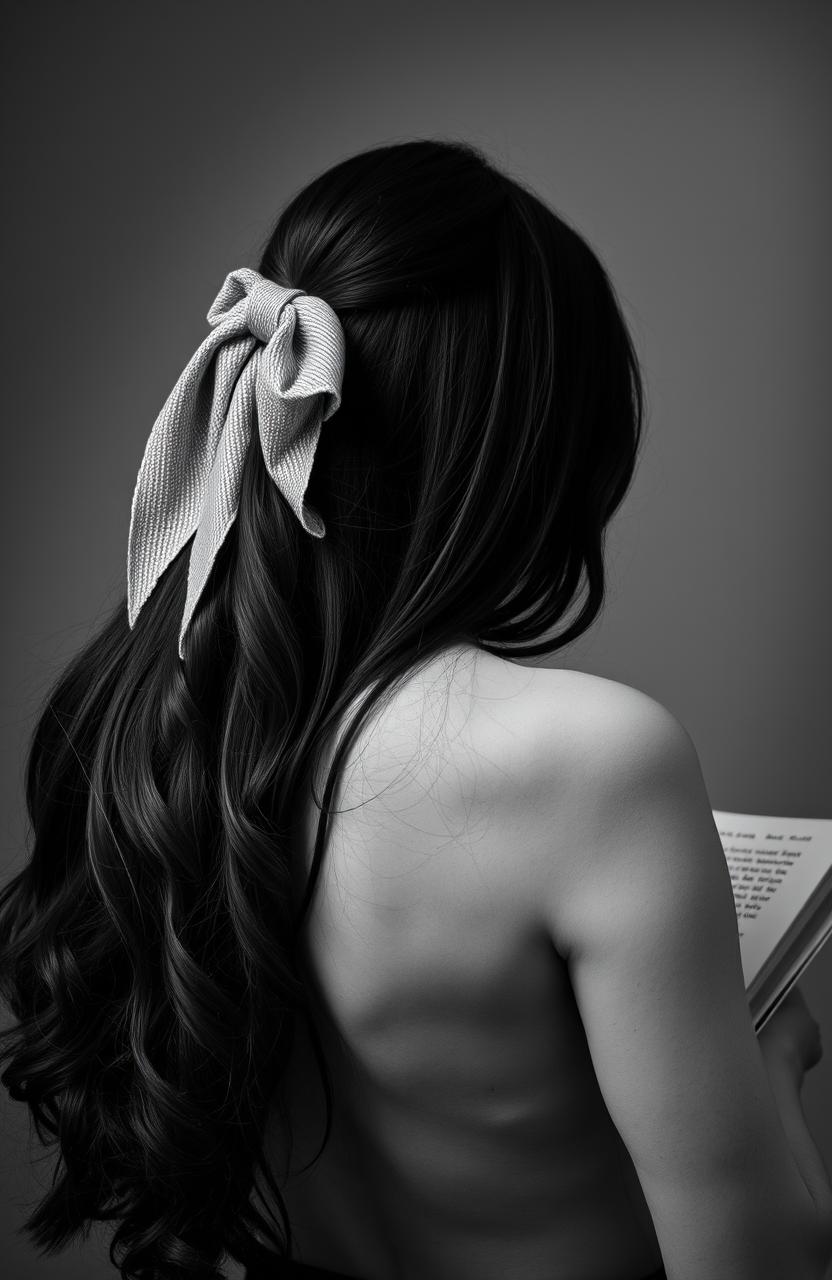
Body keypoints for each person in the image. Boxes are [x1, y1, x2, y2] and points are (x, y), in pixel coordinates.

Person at [0, 139, 830, 1280]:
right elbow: (756, 1260)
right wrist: (774, 1054)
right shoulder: (595, 757)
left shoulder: (145, 723)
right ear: (533, 451)